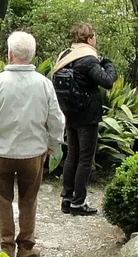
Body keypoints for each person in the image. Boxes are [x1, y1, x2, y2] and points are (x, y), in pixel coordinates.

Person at [0, 30, 65, 257]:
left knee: (2, 200)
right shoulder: (44, 84)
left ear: (10, 54)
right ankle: (25, 246)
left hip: (0, 152)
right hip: (33, 153)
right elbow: (56, 119)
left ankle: (6, 248)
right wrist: (53, 142)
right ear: (32, 55)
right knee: (29, 199)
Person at [50, 22, 117, 216]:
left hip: (69, 112)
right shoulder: (88, 59)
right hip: (87, 116)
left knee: (72, 155)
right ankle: (78, 203)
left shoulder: (65, 56)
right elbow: (107, 81)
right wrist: (108, 63)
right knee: (85, 159)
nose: (95, 40)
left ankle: (67, 199)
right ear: (89, 38)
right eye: (94, 36)